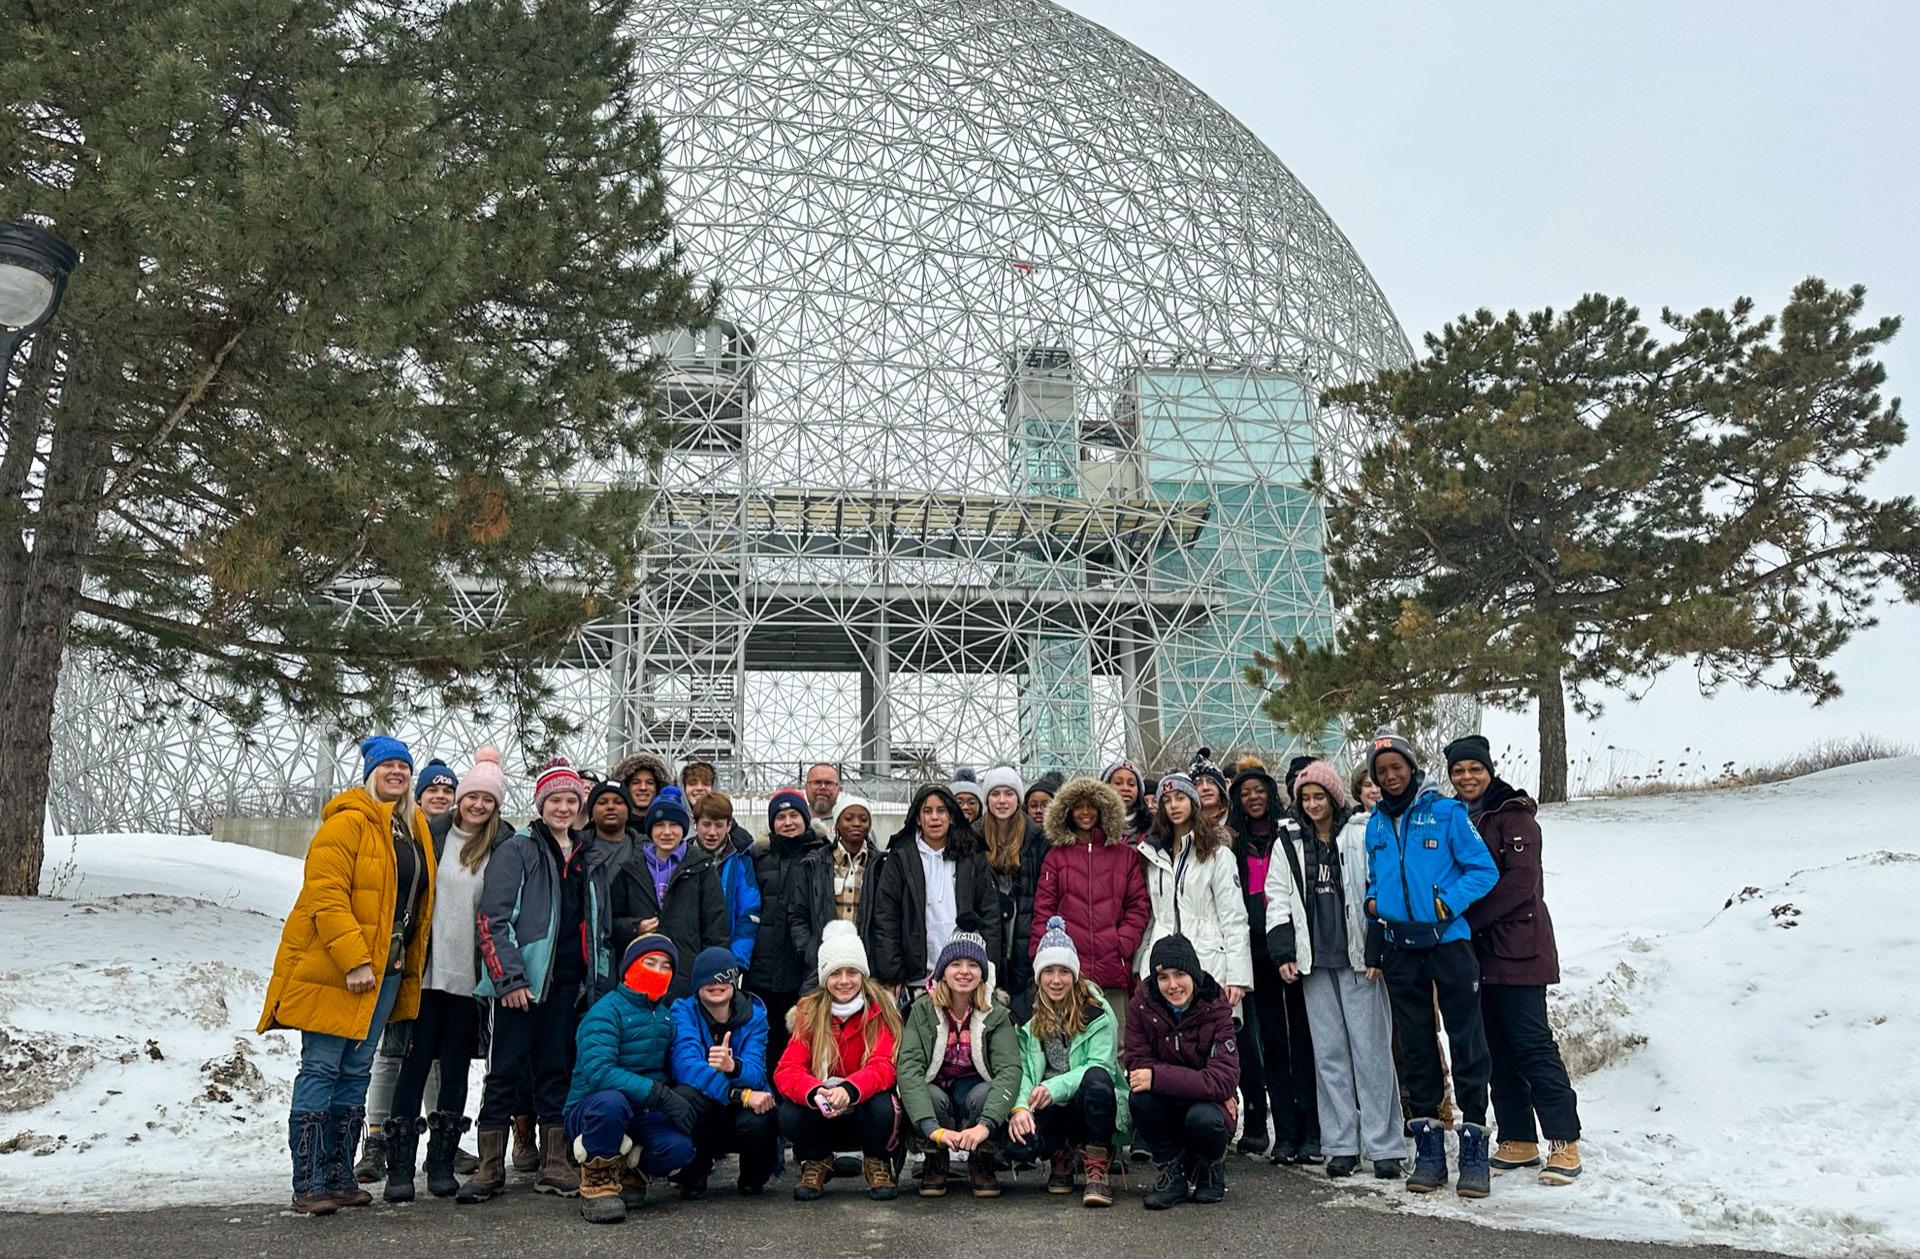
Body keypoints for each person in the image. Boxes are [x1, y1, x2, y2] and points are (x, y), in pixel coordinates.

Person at [259, 735, 435, 1215]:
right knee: (321, 1065)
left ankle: (338, 1175)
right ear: (370, 774)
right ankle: (309, 1182)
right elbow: (326, 895)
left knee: (357, 1069)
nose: (396, 773)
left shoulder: (411, 828)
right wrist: (355, 959)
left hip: (388, 969)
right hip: (339, 968)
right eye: (387, 766)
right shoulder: (347, 822)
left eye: (403, 766)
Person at [461, 756, 620, 1202]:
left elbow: (599, 925)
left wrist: (597, 981)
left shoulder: (589, 856)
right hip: (521, 986)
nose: (564, 808)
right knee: (504, 1073)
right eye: (555, 800)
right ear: (540, 804)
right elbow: (492, 919)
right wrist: (509, 979)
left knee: (557, 1071)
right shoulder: (518, 850)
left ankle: (554, 1162)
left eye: (571, 800)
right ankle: (490, 1167)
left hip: (569, 985)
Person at [1364, 729, 1500, 1197]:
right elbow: (1375, 876)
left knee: (1466, 1040)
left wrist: (1447, 903)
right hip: (1401, 946)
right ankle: (1429, 1151)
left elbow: (1484, 870)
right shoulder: (1375, 824)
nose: (1390, 776)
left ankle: (1474, 1145)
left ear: (1411, 767)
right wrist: (1375, 902)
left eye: (1396, 767)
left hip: (1448, 943)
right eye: (1381, 771)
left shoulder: (1445, 813)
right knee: (1417, 1046)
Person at [1446, 734, 1584, 1186]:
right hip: (1476, 952)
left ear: (1489, 770)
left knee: (1531, 1043)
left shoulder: (1514, 815)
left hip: (1520, 948)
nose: (1467, 777)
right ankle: (1518, 1136)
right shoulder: (1456, 816)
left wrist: (1465, 918)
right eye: (1458, 770)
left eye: (1474, 768)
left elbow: (1520, 884)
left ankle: (1563, 1139)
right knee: (1494, 1047)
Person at [383, 747, 514, 1202]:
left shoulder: (502, 846)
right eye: (472, 796)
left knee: (456, 1069)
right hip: (425, 971)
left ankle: (441, 1163)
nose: (478, 805)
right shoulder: (429, 834)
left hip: (470, 977)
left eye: (488, 800)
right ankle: (399, 1167)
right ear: (460, 798)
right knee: (414, 1064)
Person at [1263, 761, 1403, 1181]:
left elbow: (1379, 885)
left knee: (1371, 1053)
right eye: (1305, 798)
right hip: (1315, 961)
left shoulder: (1360, 832)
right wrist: (1283, 950)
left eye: (1319, 796)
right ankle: (1341, 1144)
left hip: (1358, 958)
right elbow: (1277, 896)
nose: (1312, 804)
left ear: (1334, 797)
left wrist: (1377, 946)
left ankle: (1385, 1146)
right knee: (1329, 1056)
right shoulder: (1288, 840)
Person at [356, 755, 462, 1182]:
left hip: (444, 962)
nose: (440, 796)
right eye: (432, 789)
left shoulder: (460, 837)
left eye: (448, 790)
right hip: (404, 955)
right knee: (393, 1050)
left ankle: (442, 1137)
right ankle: (377, 1139)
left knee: (434, 1054)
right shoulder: (405, 833)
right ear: (418, 795)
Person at [564, 935, 698, 1223]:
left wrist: (681, 1097)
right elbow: (599, 1072)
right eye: (650, 963)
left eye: (666, 966)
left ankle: (630, 1170)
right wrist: (659, 1094)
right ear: (629, 967)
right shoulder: (605, 1011)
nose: (658, 971)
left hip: (641, 1110)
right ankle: (597, 1181)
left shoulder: (665, 1017)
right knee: (613, 1103)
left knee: (679, 1148)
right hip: (593, 1108)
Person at [1226, 756, 1319, 1162]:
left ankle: (1311, 1129)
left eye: (1259, 791)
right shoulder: (1233, 842)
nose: (1253, 798)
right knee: (1273, 1044)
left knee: (1303, 1040)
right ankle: (1284, 1131)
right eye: (1245, 793)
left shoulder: (1290, 833)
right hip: (1256, 950)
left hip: (1293, 946)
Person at [775, 920, 904, 1201]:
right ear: (825, 978)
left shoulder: (881, 1009)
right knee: (789, 1113)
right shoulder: (809, 1012)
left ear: (863, 974)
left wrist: (849, 1089)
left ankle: (877, 1160)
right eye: (835, 973)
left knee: (884, 1105)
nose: (844, 981)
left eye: (852, 972)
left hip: (864, 1107)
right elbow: (787, 1070)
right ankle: (817, 1160)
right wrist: (815, 1091)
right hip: (823, 1108)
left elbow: (884, 1065)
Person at [1005, 917, 1129, 1208]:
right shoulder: (1027, 1014)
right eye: (1049, 971)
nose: (1056, 980)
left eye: (1064, 971)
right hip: (1048, 1103)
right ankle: (1060, 1152)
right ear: (1039, 975)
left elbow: (1102, 1066)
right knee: (1017, 1147)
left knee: (1097, 1081)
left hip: (1087, 1100)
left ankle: (1097, 1162)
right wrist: (1020, 1107)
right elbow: (1023, 1069)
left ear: (1075, 974)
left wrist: (1054, 1086)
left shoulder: (1096, 1010)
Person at [896, 932, 1023, 1198]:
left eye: (973, 965)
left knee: (986, 1093)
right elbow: (909, 1068)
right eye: (956, 964)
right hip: (937, 1092)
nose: (964, 971)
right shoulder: (922, 1009)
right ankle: (935, 1158)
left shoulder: (996, 1013)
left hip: (973, 1094)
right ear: (943, 972)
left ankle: (982, 1157)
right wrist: (933, 1130)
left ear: (982, 974)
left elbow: (1009, 1070)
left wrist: (985, 1125)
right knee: (927, 1094)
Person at [1124, 934, 1240, 1210]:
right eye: (1163, 977)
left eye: (1180, 975)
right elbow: (1138, 1068)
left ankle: (1210, 1167)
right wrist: (1197, 1082)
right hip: (1170, 1103)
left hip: (1206, 1107)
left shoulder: (1216, 1005)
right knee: (1140, 1098)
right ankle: (1171, 1172)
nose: (1173, 985)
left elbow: (1223, 1079)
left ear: (1194, 974)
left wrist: (1159, 1078)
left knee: (1204, 1119)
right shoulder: (1141, 1005)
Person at [1033, 777, 1150, 1021]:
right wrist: (1041, 956)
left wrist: (1122, 942)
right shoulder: (1056, 857)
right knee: (1070, 1034)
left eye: (1091, 806)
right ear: (1068, 812)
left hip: (1113, 966)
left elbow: (1138, 906)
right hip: (1069, 967)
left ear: (1103, 810)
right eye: (1078, 806)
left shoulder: (1124, 856)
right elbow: (1044, 909)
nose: (1085, 812)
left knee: (1116, 1035)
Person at [1136, 774, 1252, 1018]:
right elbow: (1152, 917)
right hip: (1163, 966)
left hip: (1208, 962)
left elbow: (1234, 918)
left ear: (1193, 801)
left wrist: (1238, 976)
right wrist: (1141, 965)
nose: (1174, 805)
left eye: (1180, 798)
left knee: (1210, 1035)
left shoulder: (1217, 854)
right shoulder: (1153, 854)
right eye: (1167, 800)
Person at [667, 946, 779, 1198]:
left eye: (723, 978)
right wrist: (737, 1094)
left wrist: (733, 1066)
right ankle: (694, 1172)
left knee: (763, 1111)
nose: (716, 985)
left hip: (740, 1112)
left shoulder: (755, 1016)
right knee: (684, 1095)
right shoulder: (682, 1011)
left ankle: (753, 1178)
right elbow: (686, 1067)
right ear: (697, 983)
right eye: (708, 978)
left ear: (733, 982)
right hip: (709, 1106)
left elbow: (757, 1073)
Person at [871, 784, 1001, 998]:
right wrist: (892, 972)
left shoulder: (970, 855)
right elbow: (887, 916)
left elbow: (990, 914)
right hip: (916, 978)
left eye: (941, 811)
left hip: (964, 974)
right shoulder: (900, 857)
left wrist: (988, 967)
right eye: (927, 811)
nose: (934, 818)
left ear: (951, 816)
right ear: (917, 818)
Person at [610, 788, 729, 998]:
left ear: (684, 828)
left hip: (687, 975)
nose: (667, 832)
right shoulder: (630, 869)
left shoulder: (701, 868)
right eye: (659, 825)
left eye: (674, 825)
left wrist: (711, 974)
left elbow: (715, 928)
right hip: (642, 975)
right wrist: (635, 927)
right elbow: (611, 923)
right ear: (650, 829)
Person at [749, 788, 825, 1065]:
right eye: (780, 817)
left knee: (800, 1043)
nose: (788, 822)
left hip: (801, 968)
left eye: (794, 815)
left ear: (805, 818)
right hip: (762, 971)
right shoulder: (758, 858)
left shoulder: (821, 855)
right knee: (764, 1040)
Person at [792, 795, 885, 990]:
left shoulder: (881, 865)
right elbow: (798, 913)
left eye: (863, 819)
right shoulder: (815, 863)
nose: (856, 824)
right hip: (823, 962)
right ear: (836, 825)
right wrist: (810, 950)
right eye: (849, 818)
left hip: (868, 963)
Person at [978, 763, 1047, 1003]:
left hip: (1025, 934)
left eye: (1009, 793)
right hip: (987, 935)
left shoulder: (1036, 838)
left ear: (1018, 799)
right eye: (995, 794)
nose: (1002, 801)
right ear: (987, 799)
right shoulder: (974, 837)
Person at [692, 791, 761, 971]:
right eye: (706, 824)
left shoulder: (741, 860)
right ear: (695, 824)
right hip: (686, 959)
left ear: (729, 826)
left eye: (719, 825)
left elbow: (749, 913)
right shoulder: (681, 857)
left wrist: (736, 961)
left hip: (726, 958)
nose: (712, 832)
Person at [1101, 760, 1151, 843]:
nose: (1125, 788)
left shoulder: (1152, 829)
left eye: (1131, 784)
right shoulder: (1093, 828)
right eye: (1118, 783)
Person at [1189, 748, 1230, 825]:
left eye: (1211, 781)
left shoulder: (1236, 820)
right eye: (1198, 783)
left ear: (1220, 788)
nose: (1205, 787)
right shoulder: (1186, 827)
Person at [804, 762, 842, 837]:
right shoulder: (793, 823)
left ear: (838, 789)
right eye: (816, 782)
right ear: (806, 787)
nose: (823, 787)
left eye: (829, 783)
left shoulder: (851, 823)